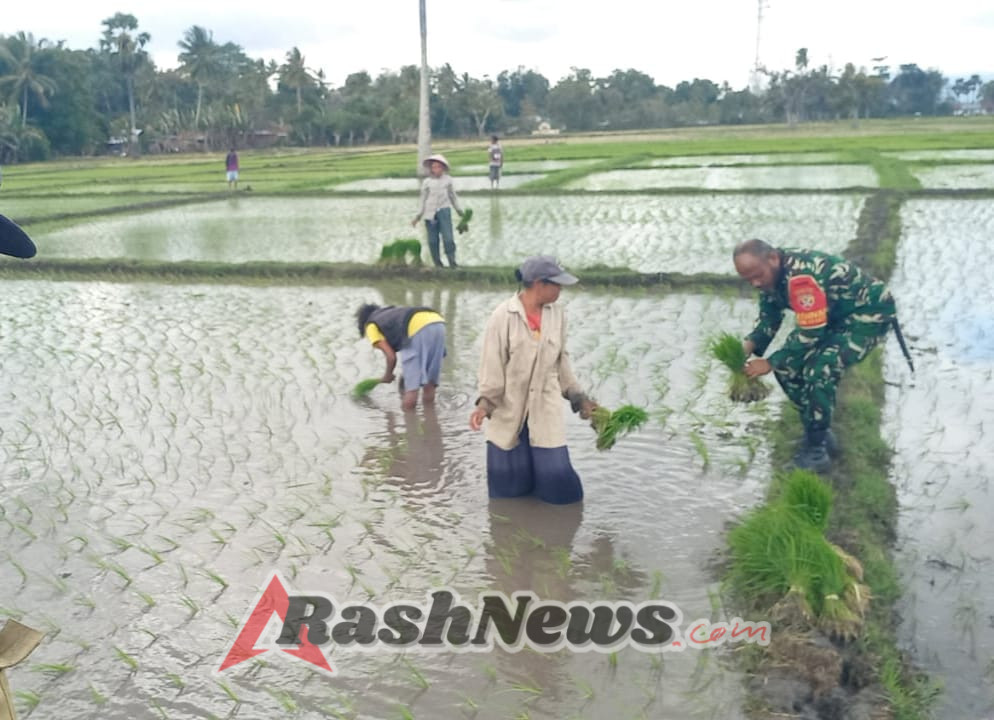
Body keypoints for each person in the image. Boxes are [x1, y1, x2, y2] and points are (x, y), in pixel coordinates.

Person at [734, 238, 899, 472]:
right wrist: (746, 348)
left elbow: (811, 331)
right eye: (748, 279)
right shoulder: (770, 278)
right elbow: (769, 319)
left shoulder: (802, 279)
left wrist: (770, 362)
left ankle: (816, 453)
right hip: (834, 316)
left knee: (820, 369)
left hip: (866, 316)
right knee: (788, 367)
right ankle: (818, 432)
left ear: (773, 258)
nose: (755, 283)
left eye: (757, 275)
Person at [469, 256, 596, 504]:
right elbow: (492, 365)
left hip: (544, 408)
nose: (560, 290)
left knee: (560, 487)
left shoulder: (557, 315)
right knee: (508, 493)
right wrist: (485, 405)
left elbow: (561, 361)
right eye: (556, 284)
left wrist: (579, 397)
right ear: (539, 284)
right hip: (509, 408)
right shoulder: (503, 317)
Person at [356, 303, 446, 411]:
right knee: (430, 383)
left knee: (411, 388)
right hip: (437, 321)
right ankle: (430, 416)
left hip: (416, 327)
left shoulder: (371, 325)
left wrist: (387, 375)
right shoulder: (390, 314)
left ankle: (408, 419)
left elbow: (391, 357)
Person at [411, 154, 464, 268]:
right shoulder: (427, 182)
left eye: (439, 167)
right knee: (433, 241)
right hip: (430, 214)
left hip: (444, 212)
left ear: (443, 168)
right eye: (434, 167)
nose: (436, 169)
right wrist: (418, 216)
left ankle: (452, 262)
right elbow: (422, 200)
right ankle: (438, 264)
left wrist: (460, 212)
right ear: (431, 169)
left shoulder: (448, 180)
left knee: (448, 239)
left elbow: (453, 197)